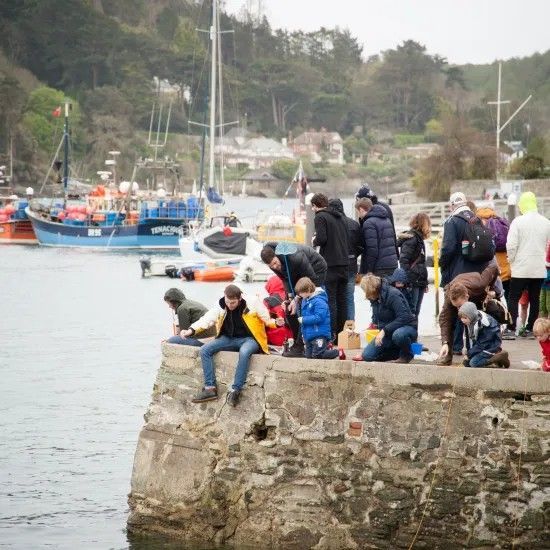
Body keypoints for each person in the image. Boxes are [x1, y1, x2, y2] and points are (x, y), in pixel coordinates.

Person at [181, 284, 282, 407]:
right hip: (228, 338)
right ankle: (210, 388)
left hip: (249, 339)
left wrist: (276, 323)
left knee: (244, 353)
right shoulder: (220, 304)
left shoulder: (253, 302)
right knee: (204, 350)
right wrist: (191, 330)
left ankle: (236, 390)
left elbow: (267, 320)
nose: (229, 305)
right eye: (228, 302)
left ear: (240, 299)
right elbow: (207, 319)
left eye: (233, 303)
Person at [261, 243, 327, 357]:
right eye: (272, 266)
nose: (275, 267)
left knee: (305, 305)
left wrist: (297, 298)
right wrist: (289, 298)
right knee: (288, 308)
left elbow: (311, 280)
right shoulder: (276, 263)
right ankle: (298, 345)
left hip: (315, 269)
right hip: (296, 273)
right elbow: (285, 278)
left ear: (277, 255)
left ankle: (309, 342)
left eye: (275, 263)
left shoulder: (294, 257)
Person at [506, 191, 550, 338]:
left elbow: (511, 245)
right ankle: (532, 328)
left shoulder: (517, 222)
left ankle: (511, 328)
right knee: (534, 298)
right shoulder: (546, 222)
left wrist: (512, 261)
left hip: (521, 268)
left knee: (513, 298)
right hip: (538, 267)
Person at [437, 263, 500, 365]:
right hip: (458, 286)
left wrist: (491, 288)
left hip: (476, 292)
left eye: (459, 306)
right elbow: (444, 320)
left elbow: (494, 267)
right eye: (456, 307)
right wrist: (445, 343)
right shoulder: (449, 297)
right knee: (450, 321)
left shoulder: (480, 283)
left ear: (466, 297)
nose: (458, 310)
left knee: (478, 324)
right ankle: (447, 355)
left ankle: (488, 352)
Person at [311, 193, 350, 337]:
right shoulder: (341, 217)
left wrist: (314, 240)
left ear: (315, 206)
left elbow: (322, 238)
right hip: (344, 263)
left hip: (330, 263)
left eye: (313, 207)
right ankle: (343, 334)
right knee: (343, 300)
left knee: (331, 300)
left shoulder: (320, 216)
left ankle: (332, 333)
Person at [357, 274, 417, 363]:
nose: (366, 294)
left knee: (398, 335)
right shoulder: (375, 298)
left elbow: (404, 317)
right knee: (367, 356)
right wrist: (374, 325)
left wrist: (384, 330)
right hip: (388, 332)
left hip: (406, 328)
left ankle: (406, 355)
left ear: (371, 290)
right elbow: (377, 318)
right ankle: (396, 353)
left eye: (365, 291)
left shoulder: (393, 294)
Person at [439, 192, 494, 287]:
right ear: (465, 203)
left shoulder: (451, 222)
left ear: (452, 206)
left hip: (459, 274)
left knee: (456, 301)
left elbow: (448, 249)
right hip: (480, 273)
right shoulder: (478, 219)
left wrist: (442, 264)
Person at [328, 199, 363, 321]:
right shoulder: (354, 224)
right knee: (349, 298)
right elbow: (361, 246)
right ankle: (350, 327)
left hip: (334, 266)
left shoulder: (331, 225)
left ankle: (336, 327)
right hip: (351, 264)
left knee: (334, 298)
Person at [295, 277, 339, 359]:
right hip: (309, 335)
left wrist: (304, 320)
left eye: (301, 293)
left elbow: (319, 317)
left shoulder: (319, 301)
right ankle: (325, 349)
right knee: (308, 356)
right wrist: (303, 335)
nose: (299, 295)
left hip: (319, 334)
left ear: (308, 290)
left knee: (317, 355)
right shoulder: (305, 300)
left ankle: (337, 352)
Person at [397, 213, 430, 318]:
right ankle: (410, 333)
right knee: (412, 310)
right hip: (413, 280)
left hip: (418, 279)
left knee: (415, 311)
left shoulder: (418, 238)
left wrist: (425, 283)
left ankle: (413, 332)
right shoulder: (412, 238)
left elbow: (420, 261)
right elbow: (404, 259)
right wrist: (407, 280)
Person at [457, 301, 509, 368]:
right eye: (461, 318)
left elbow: (483, 344)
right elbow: (471, 339)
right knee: (467, 363)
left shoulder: (485, 324)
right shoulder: (471, 320)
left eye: (464, 318)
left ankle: (499, 356)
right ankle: (495, 361)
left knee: (474, 363)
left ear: (471, 315)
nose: (462, 320)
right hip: (481, 346)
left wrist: (469, 354)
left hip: (490, 347)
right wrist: (468, 353)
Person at [355, 197, 398, 277]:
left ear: (361, 209)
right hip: (392, 264)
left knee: (379, 289)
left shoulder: (369, 223)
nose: (358, 214)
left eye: (357, 211)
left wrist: (369, 270)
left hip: (379, 267)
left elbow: (372, 250)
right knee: (389, 289)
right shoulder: (386, 220)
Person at [476, 206, 511, 298]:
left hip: (493, 273)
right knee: (510, 299)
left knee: (495, 301)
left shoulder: (482, 227)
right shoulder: (501, 222)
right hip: (508, 270)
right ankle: (511, 313)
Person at [263, 275, 293, 346]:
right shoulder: (292, 298)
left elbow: (264, 320)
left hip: (276, 339)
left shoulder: (267, 301)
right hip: (292, 337)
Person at [539, 243, 550, 318]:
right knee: (542, 306)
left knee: (549, 305)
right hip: (543, 282)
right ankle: (543, 327)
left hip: (546, 280)